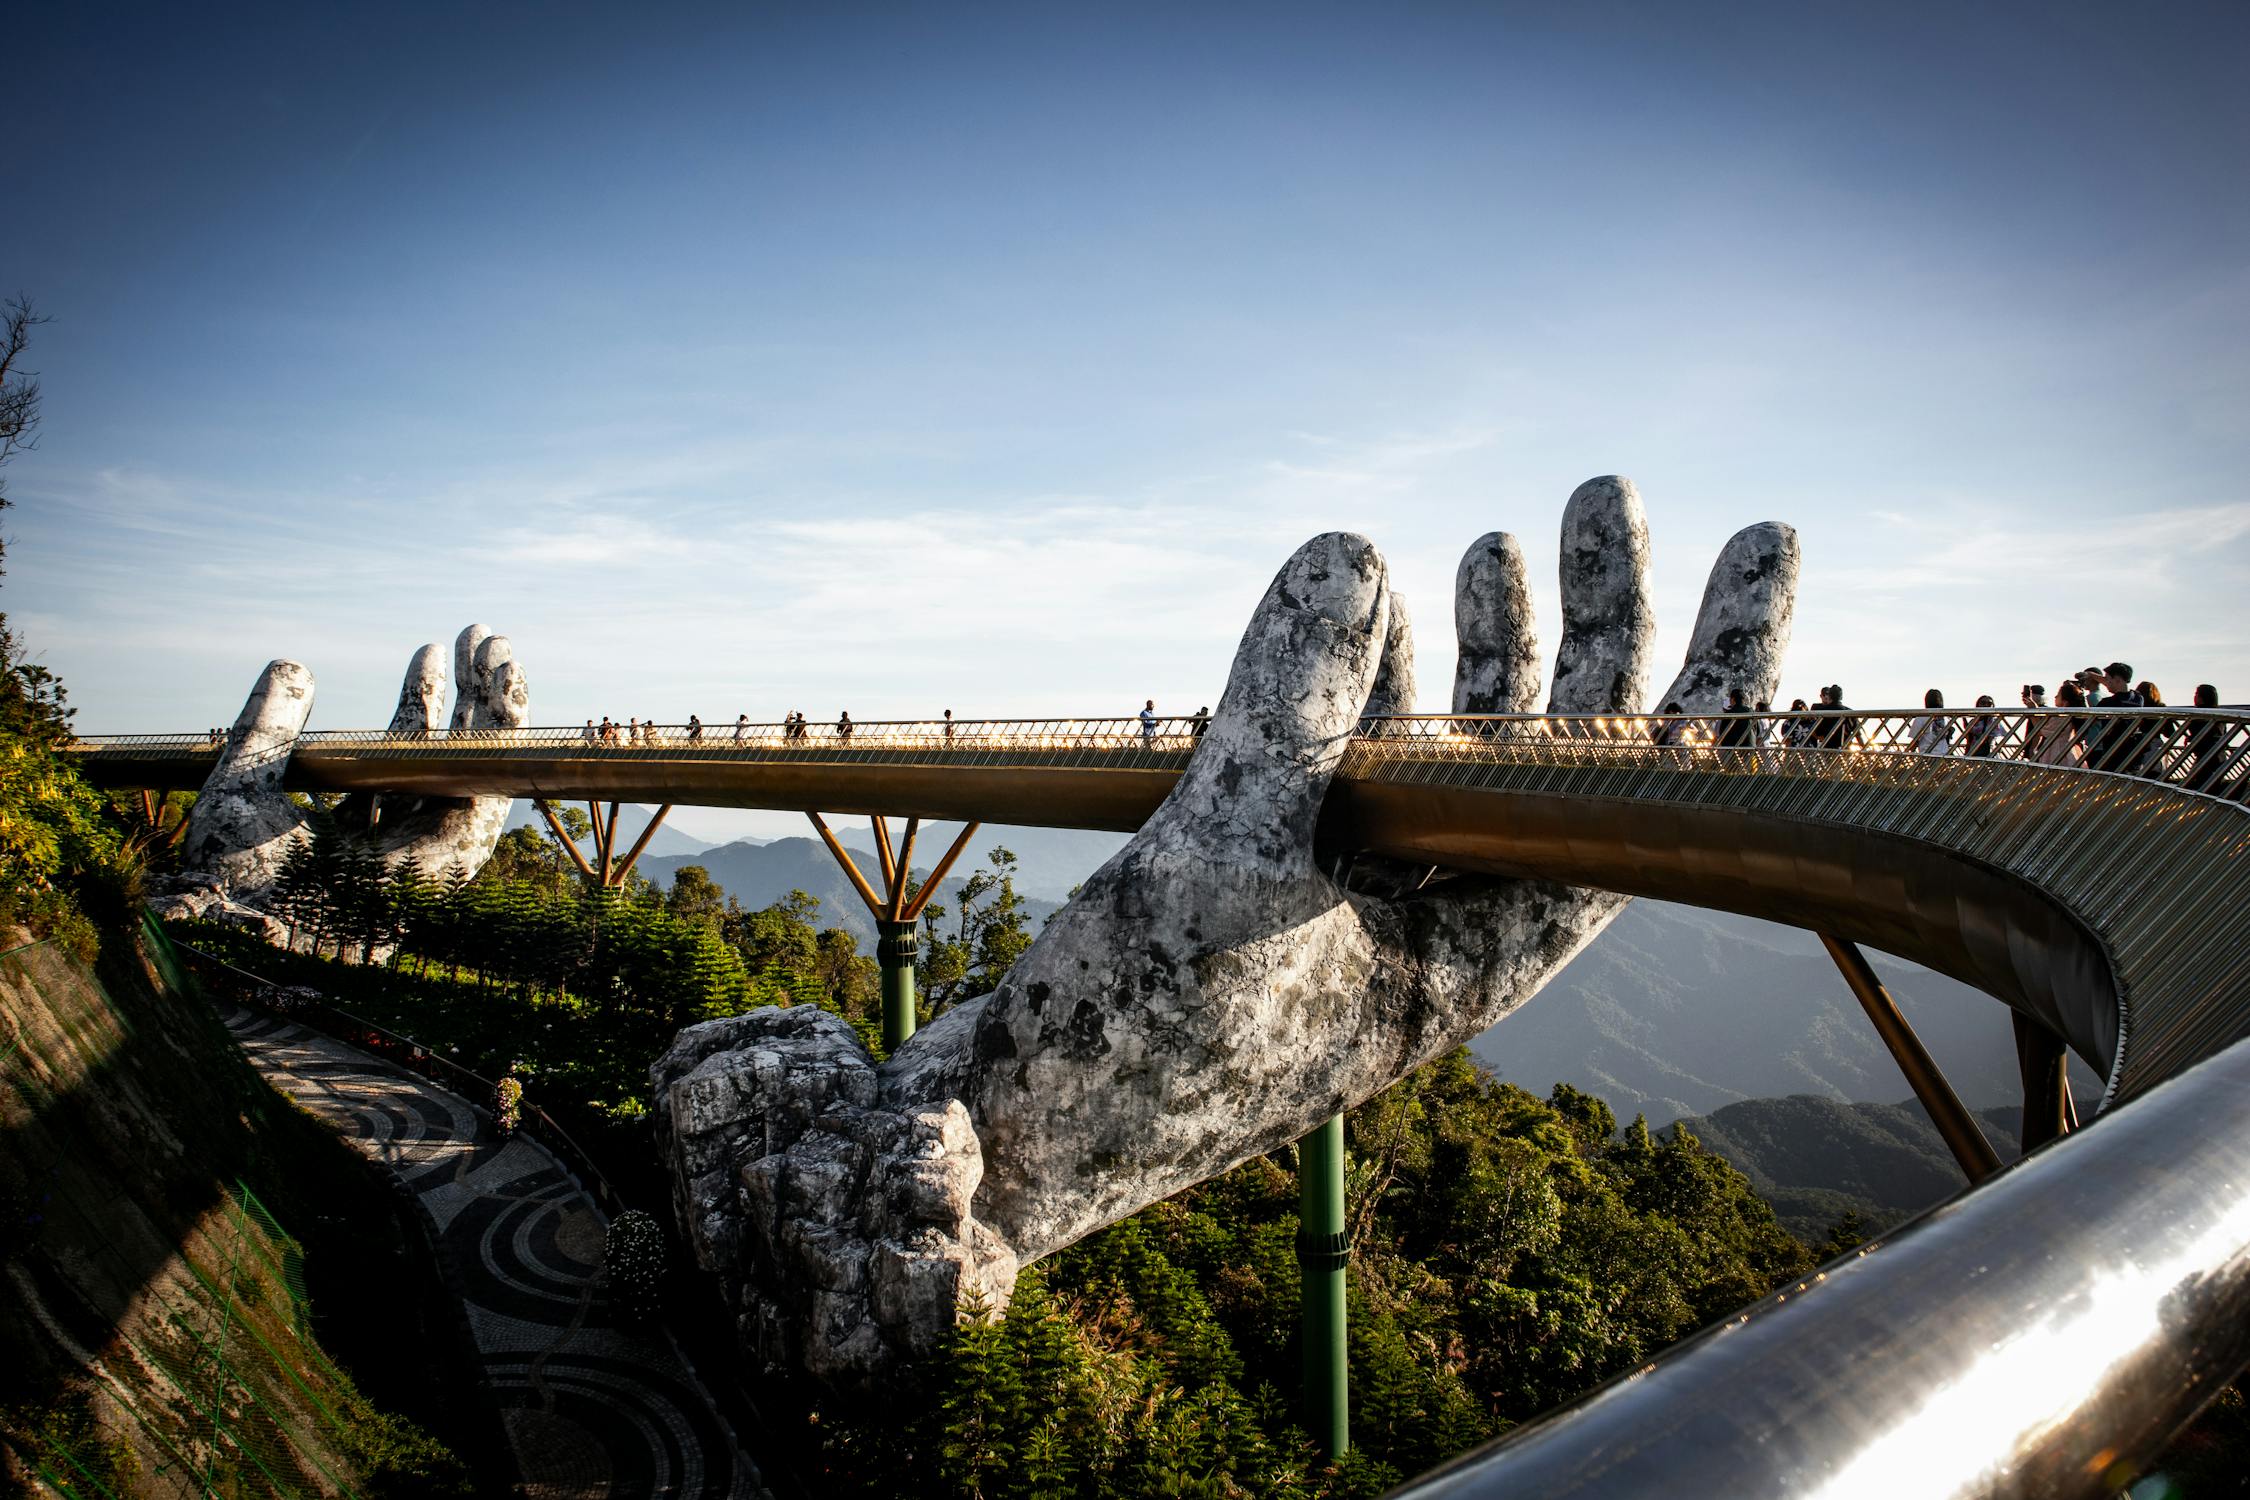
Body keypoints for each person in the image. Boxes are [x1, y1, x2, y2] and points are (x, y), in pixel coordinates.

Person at [2185, 684, 2233, 793]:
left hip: (2205, 756)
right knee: (2211, 787)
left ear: (2202, 697)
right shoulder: (2220, 714)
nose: (2194, 697)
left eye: (2196, 694)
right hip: (2219, 755)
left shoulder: (2199, 715)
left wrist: (2190, 738)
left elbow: (2197, 733)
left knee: (2195, 787)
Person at [2028, 682, 2086, 766]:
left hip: (2057, 752)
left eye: (2058, 695)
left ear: (2065, 702)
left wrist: (2033, 712)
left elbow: (2042, 731)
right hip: (2065, 751)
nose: (2055, 697)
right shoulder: (2068, 716)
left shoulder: (2061, 717)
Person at [1810, 684, 1856, 750]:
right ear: (1841, 697)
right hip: (1845, 748)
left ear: (1830, 696)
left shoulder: (1822, 712)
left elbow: (1815, 731)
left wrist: (1823, 739)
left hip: (1826, 748)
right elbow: (1857, 733)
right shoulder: (1850, 712)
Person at [1909, 689, 1954, 756]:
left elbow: (1915, 739)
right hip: (1944, 753)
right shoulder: (1942, 717)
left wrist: (1910, 752)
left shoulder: (1921, 717)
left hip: (1928, 753)